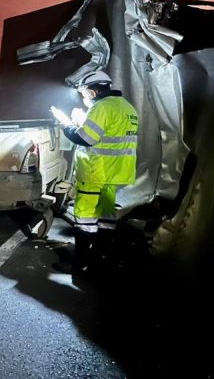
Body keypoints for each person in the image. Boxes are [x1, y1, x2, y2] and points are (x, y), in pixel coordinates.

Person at [52, 70, 139, 275]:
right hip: (116, 173)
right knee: (106, 218)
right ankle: (103, 257)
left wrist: (67, 125)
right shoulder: (128, 107)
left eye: (84, 93)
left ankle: (81, 263)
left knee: (85, 218)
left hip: (95, 172)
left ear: (93, 91)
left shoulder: (101, 107)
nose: (84, 97)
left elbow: (85, 139)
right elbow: (111, 135)